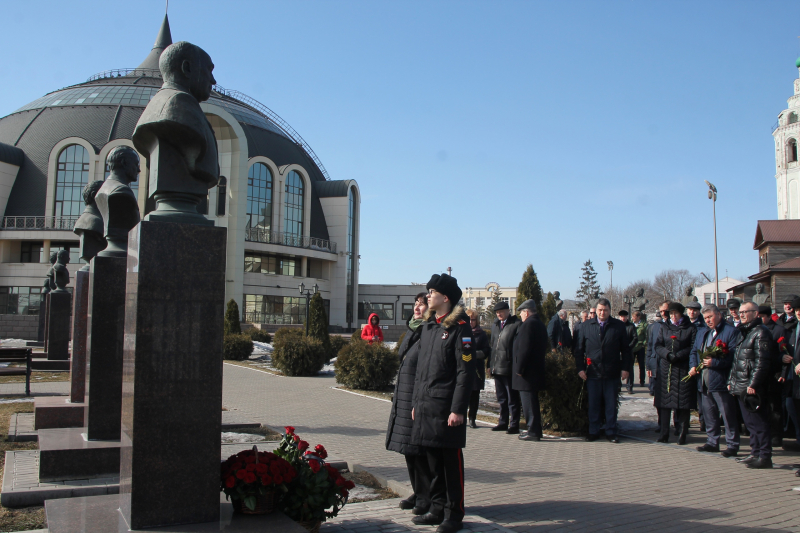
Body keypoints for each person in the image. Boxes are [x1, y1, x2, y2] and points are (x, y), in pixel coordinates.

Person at [411, 274, 474, 533]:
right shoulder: (428, 327)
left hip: (447, 408)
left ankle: (453, 513)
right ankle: (436, 508)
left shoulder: (460, 328)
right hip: (427, 406)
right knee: (432, 460)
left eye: (432, 292)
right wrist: (416, 402)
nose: (427, 296)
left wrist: (459, 409)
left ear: (445, 298)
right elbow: (421, 371)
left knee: (449, 463)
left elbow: (465, 371)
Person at [387, 292, 431, 515]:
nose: (417, 307)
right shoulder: (413, 329)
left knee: (418, 449)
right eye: (415, 303)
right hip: (404, 396)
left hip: (415, 399)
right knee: (408, 450)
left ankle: (427, 496)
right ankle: (418, 491)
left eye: (422, 304)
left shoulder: (428, 332)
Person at [573, 298, 631, 443]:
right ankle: (594, 431)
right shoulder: (586, 326)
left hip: (611, 372)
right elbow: (579, 350)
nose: (602, 312)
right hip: (592, 372)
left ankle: (611, 432)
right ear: (596, 310)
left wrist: (625, 368)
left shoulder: (618, 326)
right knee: (593, 404)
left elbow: (626, 350)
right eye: (599, 310)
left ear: (609, 311)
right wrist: (580, 368)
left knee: (611, 404)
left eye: (605, 310)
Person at [689, 304, 741, 457]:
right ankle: (712, 441)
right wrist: (693, 366)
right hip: (704, 380)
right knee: (709, 412)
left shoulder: (731, 332)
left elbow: (734, 358)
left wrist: (715, 363)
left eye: (710, 317)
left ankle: (732, 444)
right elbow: (694, 351)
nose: (708, 321)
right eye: (705, 318)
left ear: (719, 314)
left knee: (727, 414)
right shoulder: (703, 332)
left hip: (721, 381)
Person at [728, 302, 773, 468]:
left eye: (746, 312)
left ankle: (765, 456)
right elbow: (737, 361)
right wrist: (731, 382)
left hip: (752, 387)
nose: (742, 315)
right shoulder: (744, 332)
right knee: (749, 424)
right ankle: (755, 452)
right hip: (740, 385)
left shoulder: (761, 332)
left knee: (759, 423)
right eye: (740, 312)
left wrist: (754, 383)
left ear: (756, 313)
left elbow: (762, 362)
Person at [654, 302, 697, 444]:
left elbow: (693, 346)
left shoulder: (690, 328)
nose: (673, 316)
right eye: (671, 314)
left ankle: (682, 433)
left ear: (681, 313)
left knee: (683, 403)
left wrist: (680, 355)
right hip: (666, 368)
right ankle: (664, 433)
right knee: (665, 403)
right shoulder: (664, 327)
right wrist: (667, 354)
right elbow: (658, 345)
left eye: (675, 313)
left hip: (682, 368)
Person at [512, 300, 548, 442]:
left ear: (526, 312)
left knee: (529, 403)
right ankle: (535, 430)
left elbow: (524, 349)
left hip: (527, 372)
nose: (520, 315)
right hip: (535, 369)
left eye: (521, 313)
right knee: (532, 402)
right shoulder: (539, 323)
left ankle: (533, 431)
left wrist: (519, 369)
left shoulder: (528, 324)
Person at [487, 302, 522, 433]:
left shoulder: (515, 324)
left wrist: (516, 366)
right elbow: (492, 347)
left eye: (501, 311)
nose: (499, 314)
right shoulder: (495, 325)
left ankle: (514, 424)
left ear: (508, 310)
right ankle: (503, 422)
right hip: (496, 367)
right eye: (497, 312)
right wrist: (490, 365)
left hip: (508, 367)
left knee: (512, 398)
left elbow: (517, 348)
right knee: (501, 398)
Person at [758, 305, 787, 448]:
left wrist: (783, 372)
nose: (759, 319)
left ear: (769, 316)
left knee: (775, 407)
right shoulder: (757, 330)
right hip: (761, 375)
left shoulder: (779, 330)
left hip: (773, 374)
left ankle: (776, 435)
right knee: (762, 407)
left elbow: (783, 354)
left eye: (762, 316)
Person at [465, 309, 490, 429]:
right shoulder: (462, 332)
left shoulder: (481, 334)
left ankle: (472, 419)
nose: (471, 322)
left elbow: (486, 351)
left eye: (473, 319)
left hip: (476, 370)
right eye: (469, 319)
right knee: (463, 395)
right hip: (464, 368)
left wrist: (476, 354)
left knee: (474, 396)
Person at [686, 301, 707, 431]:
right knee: (686, 395)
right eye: (690, 310)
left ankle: (703, 422)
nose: (692, 312)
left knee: (701, 397)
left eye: (695, 310)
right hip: (686, 364)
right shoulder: (683, 324)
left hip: (699, 365)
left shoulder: (703, 326)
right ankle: (685, 422)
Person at [619, 310, 638, 394]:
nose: (623, 318)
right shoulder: (616, 326)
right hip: (618, 352)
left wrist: (628, 347)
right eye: (621, 316)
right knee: (618, 370)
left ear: (627, 317)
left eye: (624, 316)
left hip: (628, 351)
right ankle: (618, 386)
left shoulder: (631, 326)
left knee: (629, 369)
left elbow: (635, 338)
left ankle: (629, 386)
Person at [632, 311, 647, 388]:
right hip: (632, 347)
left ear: (638, 317)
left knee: (641, 365)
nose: (633, 319)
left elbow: (646, 336)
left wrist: (643, 344)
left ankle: (642, 381)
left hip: (640, 347)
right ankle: (631, 382)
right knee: (631, 366)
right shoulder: (631, 324)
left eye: (634, 317)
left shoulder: (644, 325)